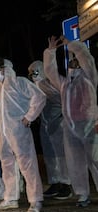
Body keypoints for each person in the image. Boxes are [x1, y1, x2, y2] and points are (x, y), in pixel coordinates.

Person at [43, 36, 98, 207]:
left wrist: (72, 46)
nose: (73, 63)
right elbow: (50, 71)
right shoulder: (64, 83)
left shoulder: (89, 77)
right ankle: (82, 194)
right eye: (71, 61)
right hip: (70, 129)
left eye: (76, 61)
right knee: (75, 163)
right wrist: (51, 52)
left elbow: (86, 57)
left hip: (89, 125)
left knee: (96, 160)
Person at [0, 58, 46, 212]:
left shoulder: (19, 82)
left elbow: (39, 96)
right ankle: (11, 198)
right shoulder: (0, 87)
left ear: (5, 68)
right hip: (4, 132)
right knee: (7, 165)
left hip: (18, 130)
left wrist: (29, 117)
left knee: (27, 164)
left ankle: (35, 200)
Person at [28, 60, 72, 199]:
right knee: (50, 156)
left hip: (58, 123)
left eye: (34, 71)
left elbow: (63, 99)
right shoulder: (35, 86)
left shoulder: (50, 84)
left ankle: (66, 185)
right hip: (45, 125)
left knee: (61, 155)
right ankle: (55, 182)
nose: (32, 74)